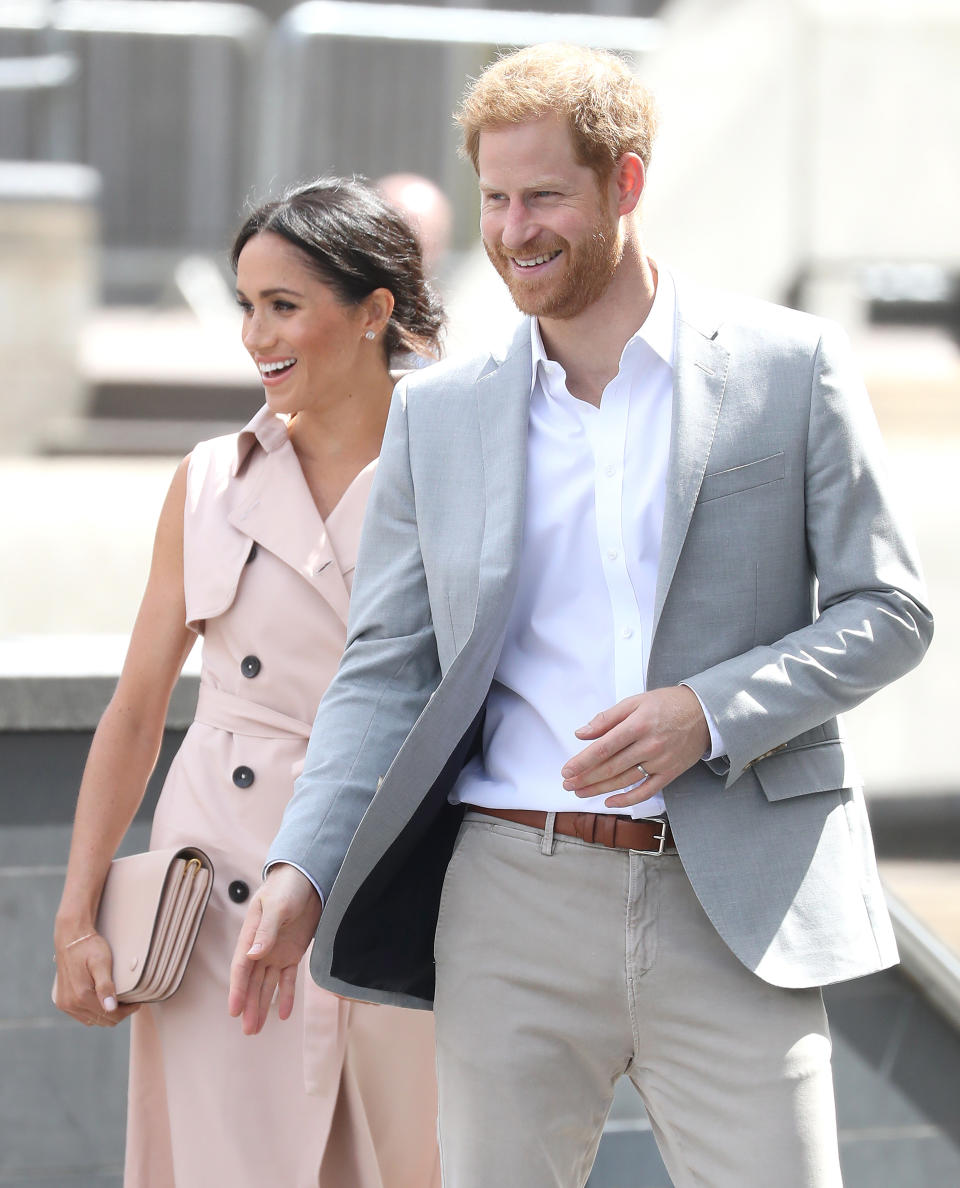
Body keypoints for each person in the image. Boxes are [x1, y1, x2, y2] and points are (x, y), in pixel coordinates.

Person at [229, 46, 934, 1188]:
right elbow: (386, 670)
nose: (515, 231)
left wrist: (709, 713)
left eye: (545, 195)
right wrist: (302, 866)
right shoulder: (439, 418)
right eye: (495, 200)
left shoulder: (786, 367)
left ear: (628, 184)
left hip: (737, 903)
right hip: (512, 895)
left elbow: (891, 608)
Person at [53, 178, 444, 1188]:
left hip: (396, 886)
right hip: (220, 903)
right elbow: (137, 711)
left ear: (374, 312)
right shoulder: (210, 479)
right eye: (245, 304)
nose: (253, 336)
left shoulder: (457, 472)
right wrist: (76, 916)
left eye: (283, 305)